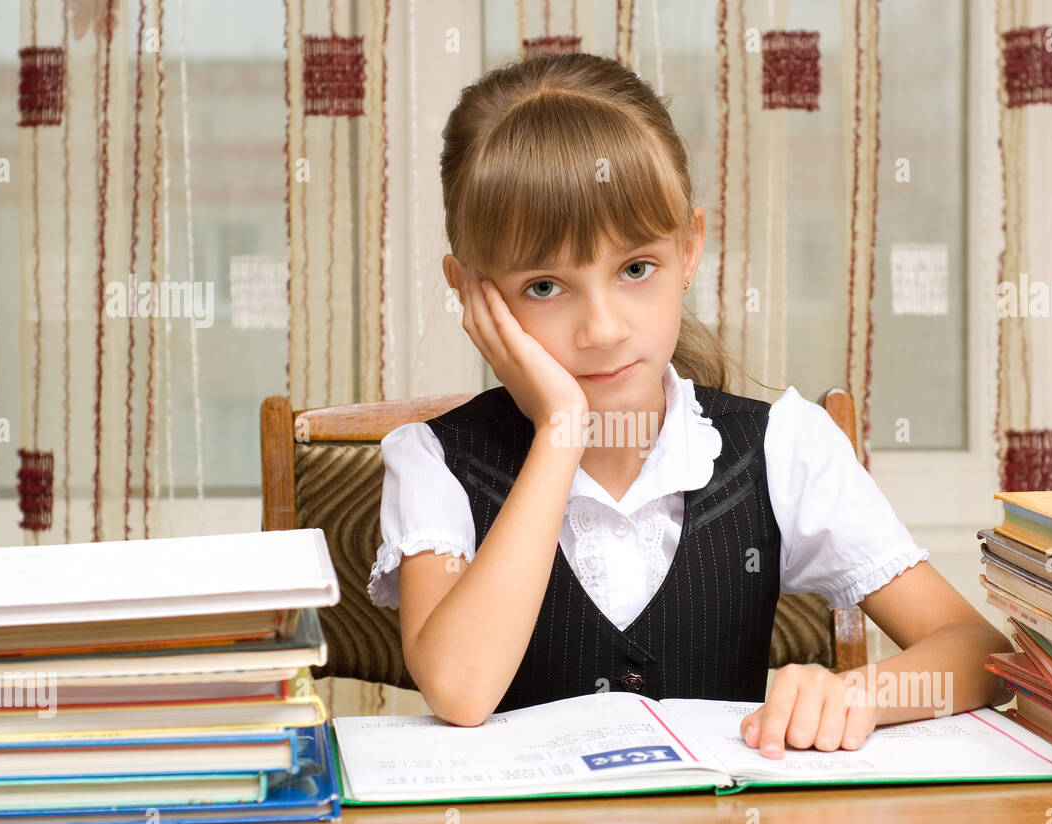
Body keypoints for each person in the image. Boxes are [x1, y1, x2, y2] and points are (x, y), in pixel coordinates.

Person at [367, 51, 1012, 757]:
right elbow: (461, 689)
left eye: (636, 269)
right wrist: (560, 431)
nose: (604, 329)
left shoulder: (781, 447)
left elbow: (977, 649)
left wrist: (857, 693)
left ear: (690, 250)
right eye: (545, 287)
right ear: (472, 291)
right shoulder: (433, 462)